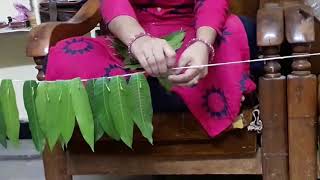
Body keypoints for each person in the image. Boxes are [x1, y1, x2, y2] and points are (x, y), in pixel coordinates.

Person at [45, 0, 256, 137]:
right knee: (63, 58)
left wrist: (204, 44)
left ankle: (149, 93)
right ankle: (204, 92)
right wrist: (138, 40)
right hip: (130, 37)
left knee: (242, 31)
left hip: (192, 33)